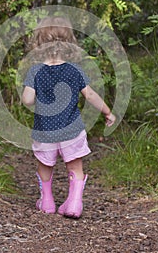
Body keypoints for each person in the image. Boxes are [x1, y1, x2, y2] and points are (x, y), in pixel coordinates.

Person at [22, 16, 116, 218]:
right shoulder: (74, 70)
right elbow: (90, 95)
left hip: (45, 130)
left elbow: (28, 100)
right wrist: (107, 112)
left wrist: (33, 93)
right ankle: (74, 204)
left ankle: (47, 202)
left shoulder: (35, 71)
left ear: (38, 42)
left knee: (45, 164)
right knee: (75, 165)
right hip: (71, 129)